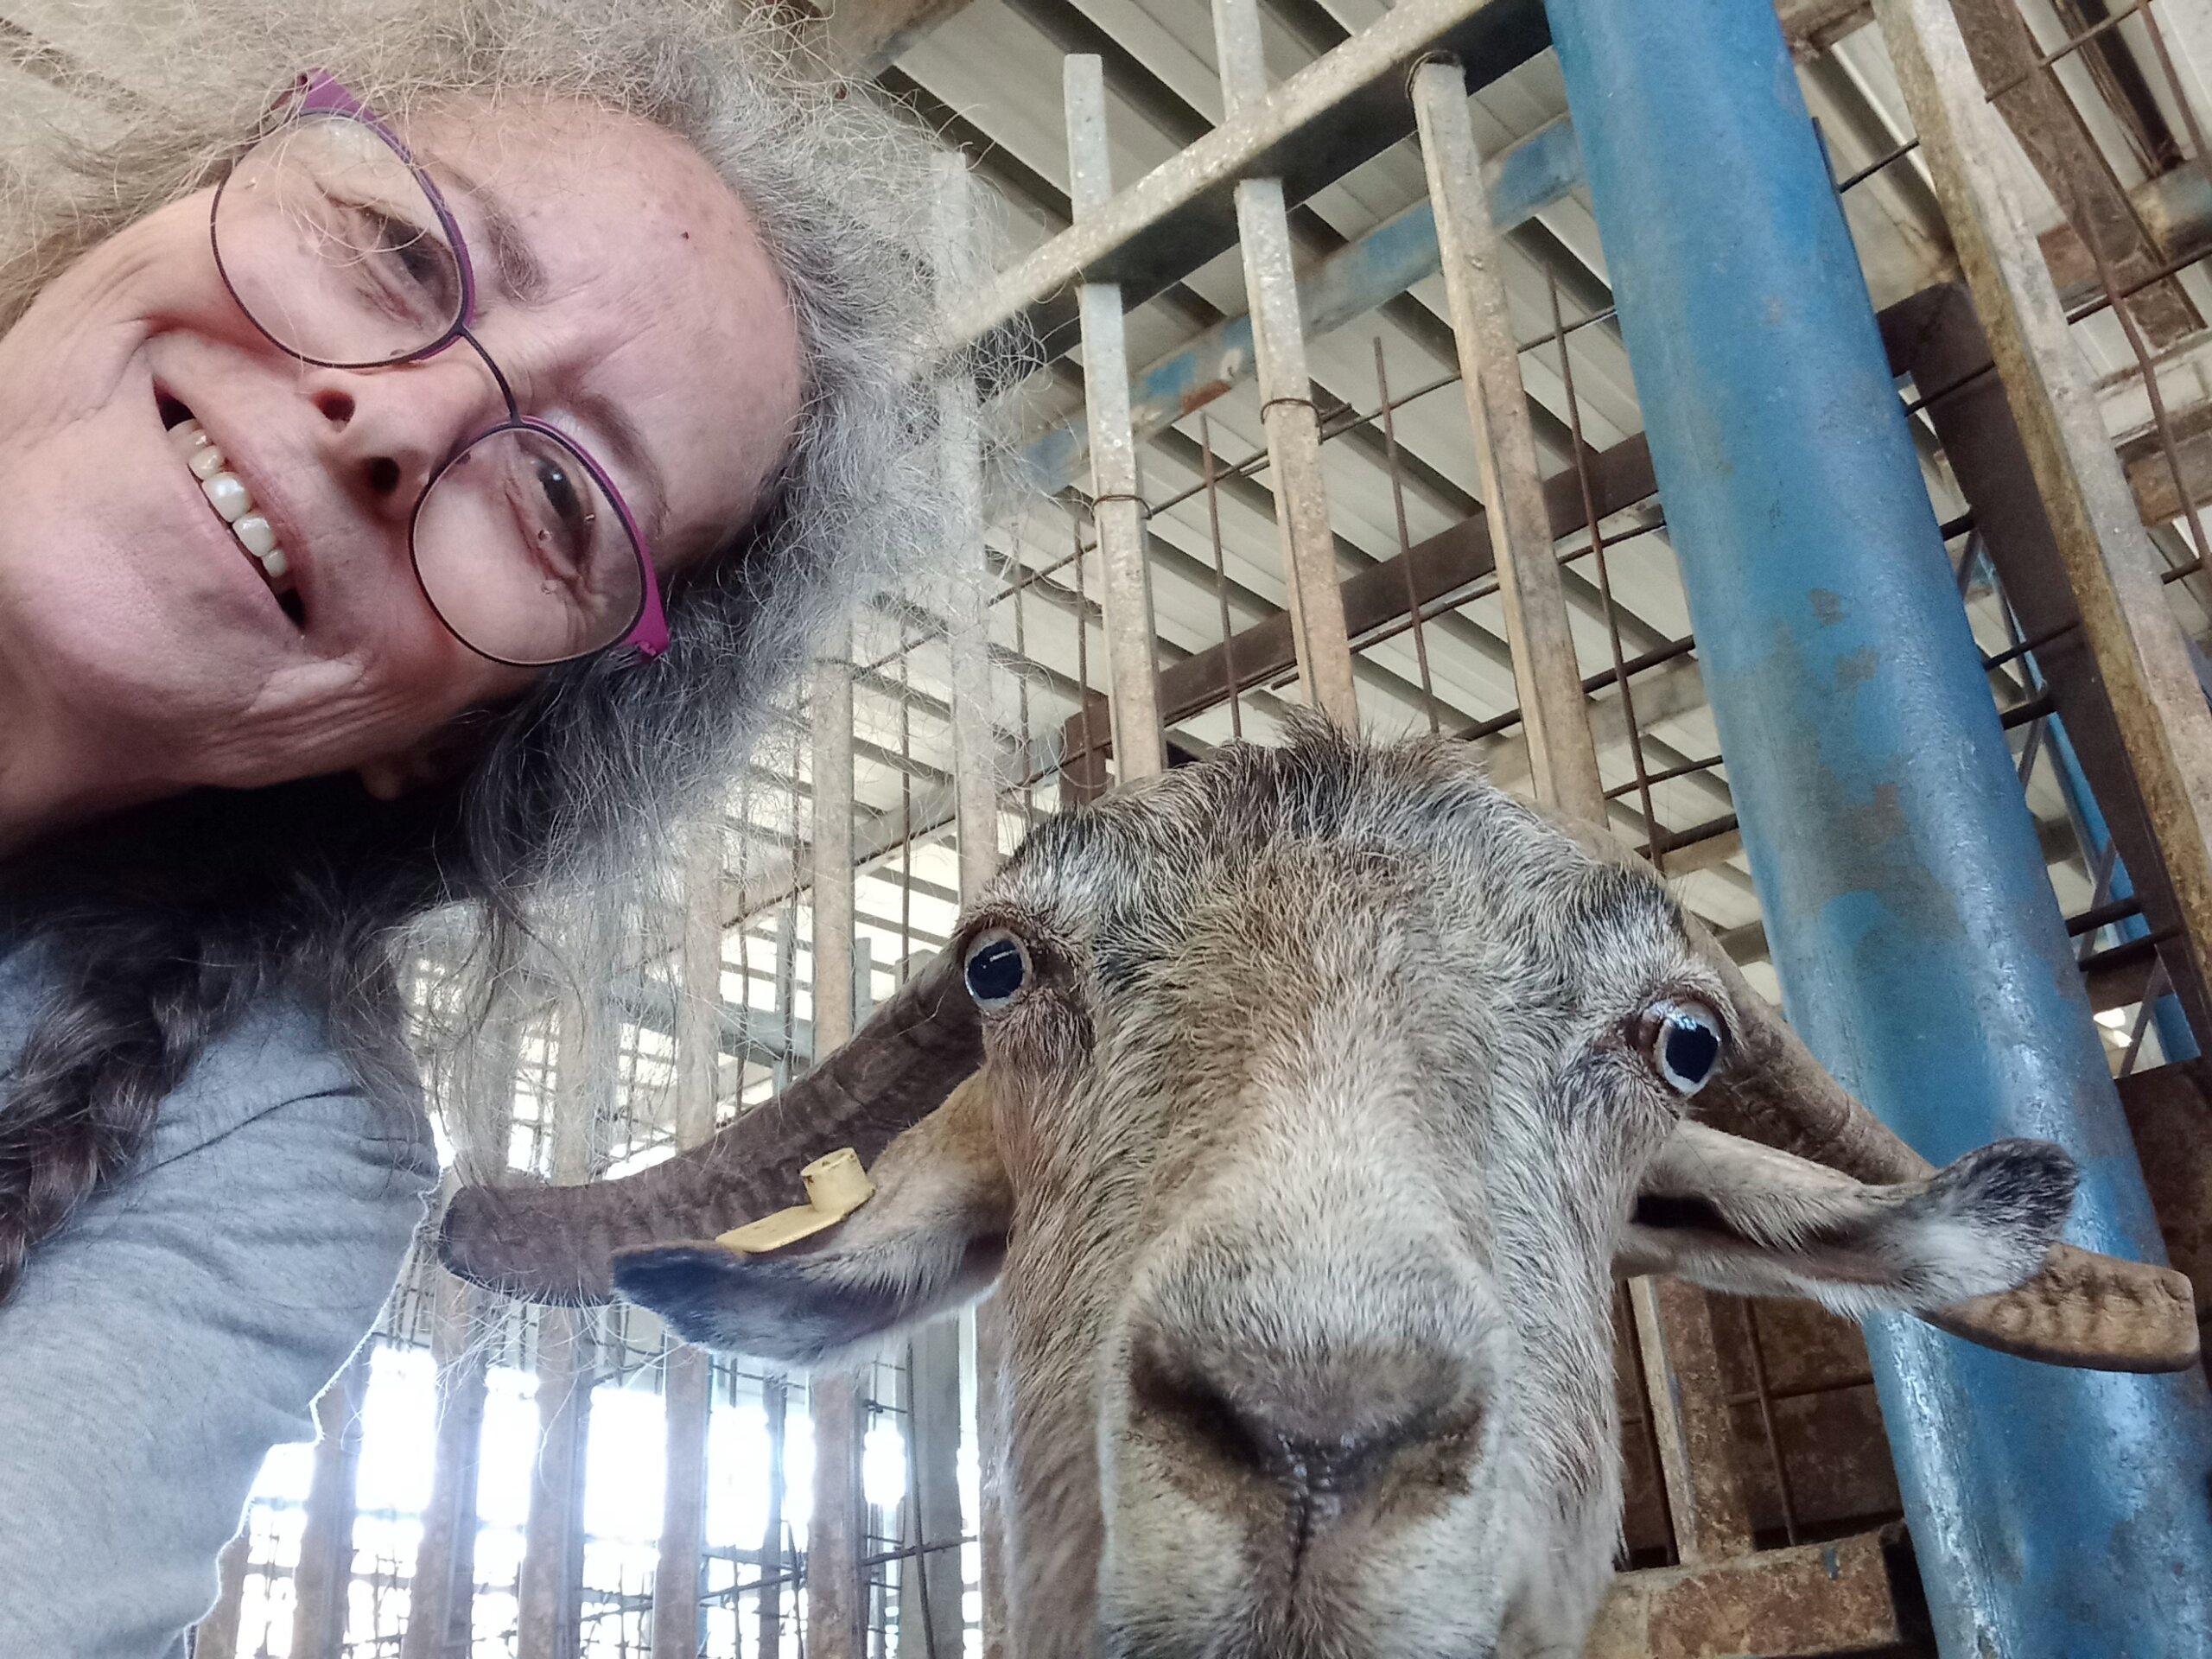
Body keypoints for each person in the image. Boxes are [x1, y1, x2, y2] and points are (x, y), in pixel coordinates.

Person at [0, 0, 980, 1648]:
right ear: (159, 207)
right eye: (392, 251)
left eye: (556, 501)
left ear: (447, 744)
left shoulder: (274, 1141)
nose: (390, 423)